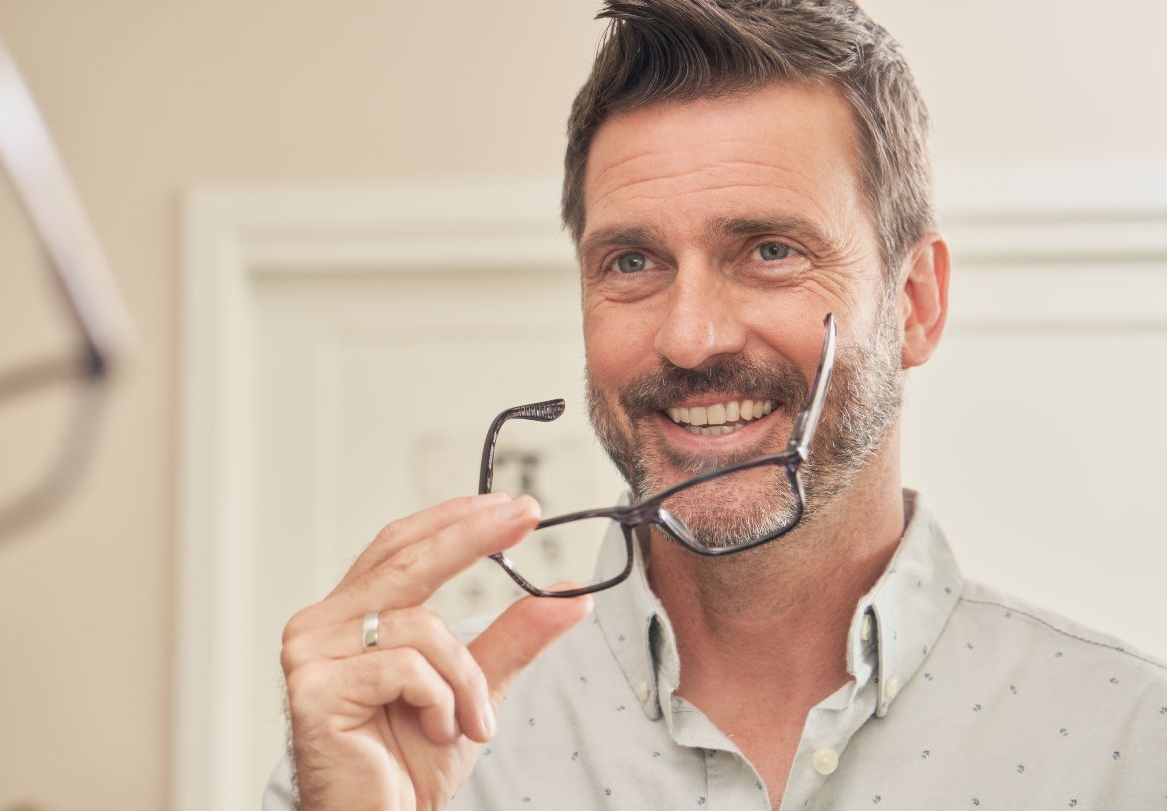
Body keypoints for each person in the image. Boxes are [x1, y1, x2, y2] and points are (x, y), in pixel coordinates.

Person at [264, 1, 1167, 808]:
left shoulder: (1132, 745)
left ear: (915, 305)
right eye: (632, 263)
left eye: (770, 250)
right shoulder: (405, 736)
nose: (690, 338)